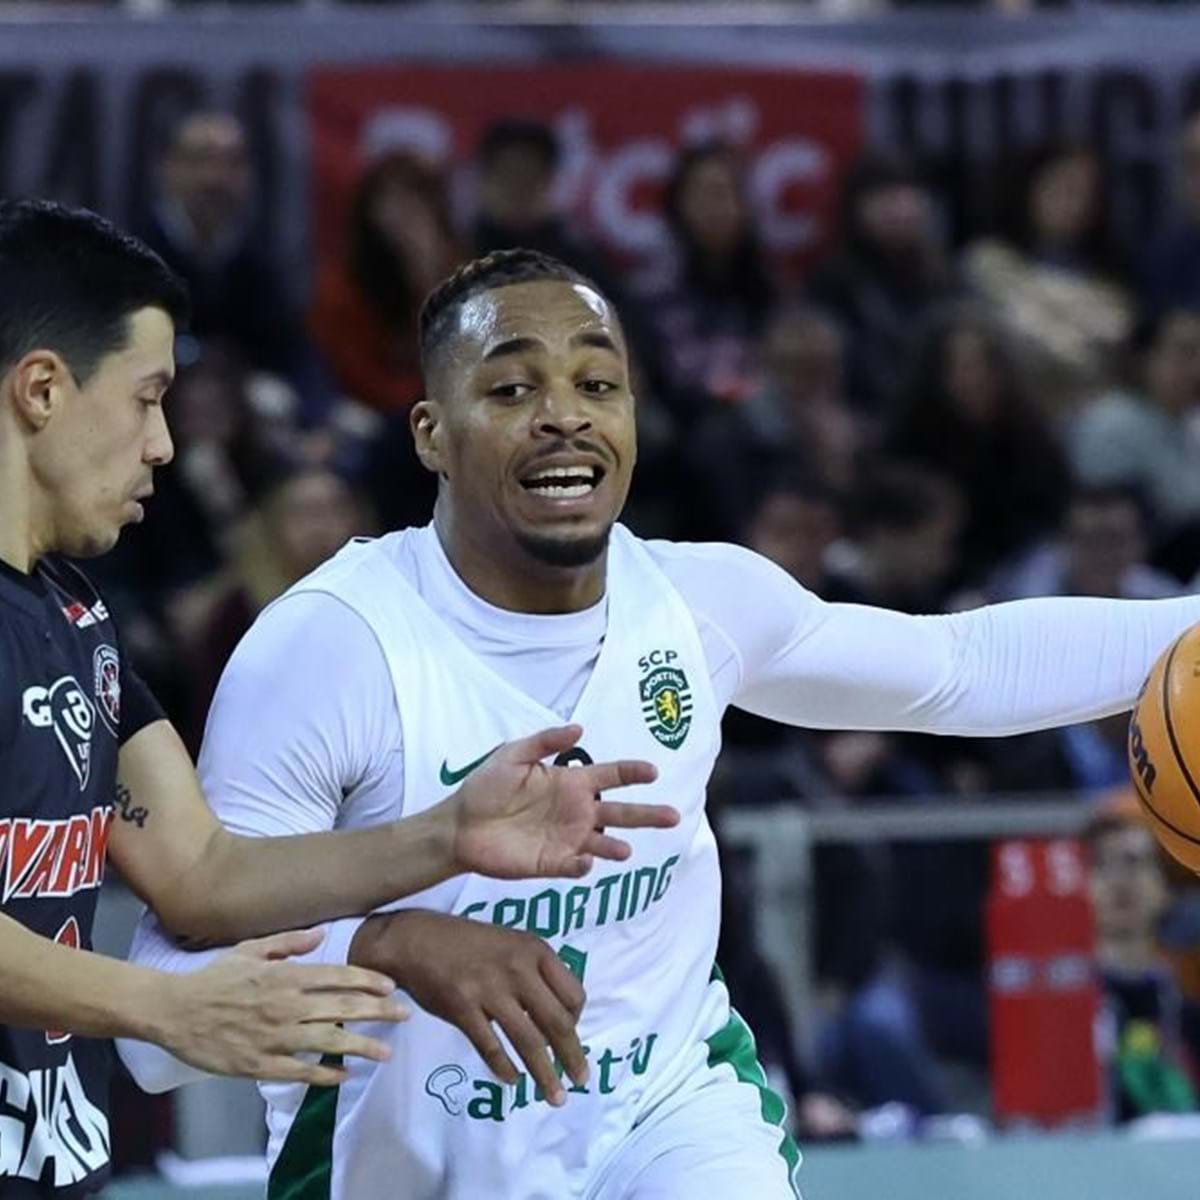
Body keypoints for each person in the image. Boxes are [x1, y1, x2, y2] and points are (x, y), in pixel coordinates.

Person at [122, 248, 1200, 1200]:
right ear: (431, 435)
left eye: (600, 382)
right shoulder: (329, 646)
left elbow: (959, 666)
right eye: (510, 388)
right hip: (407, 1156)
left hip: (664, 1115)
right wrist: (389, 947)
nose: (565, 414)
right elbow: (169, 1005)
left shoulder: (700, 603)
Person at [0, 207, 676, 1198]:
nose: (164, 446)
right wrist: (157, 1006)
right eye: (147, 400)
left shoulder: (74, 614)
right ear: (44, 389)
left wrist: (444, 836)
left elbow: (201, 870)